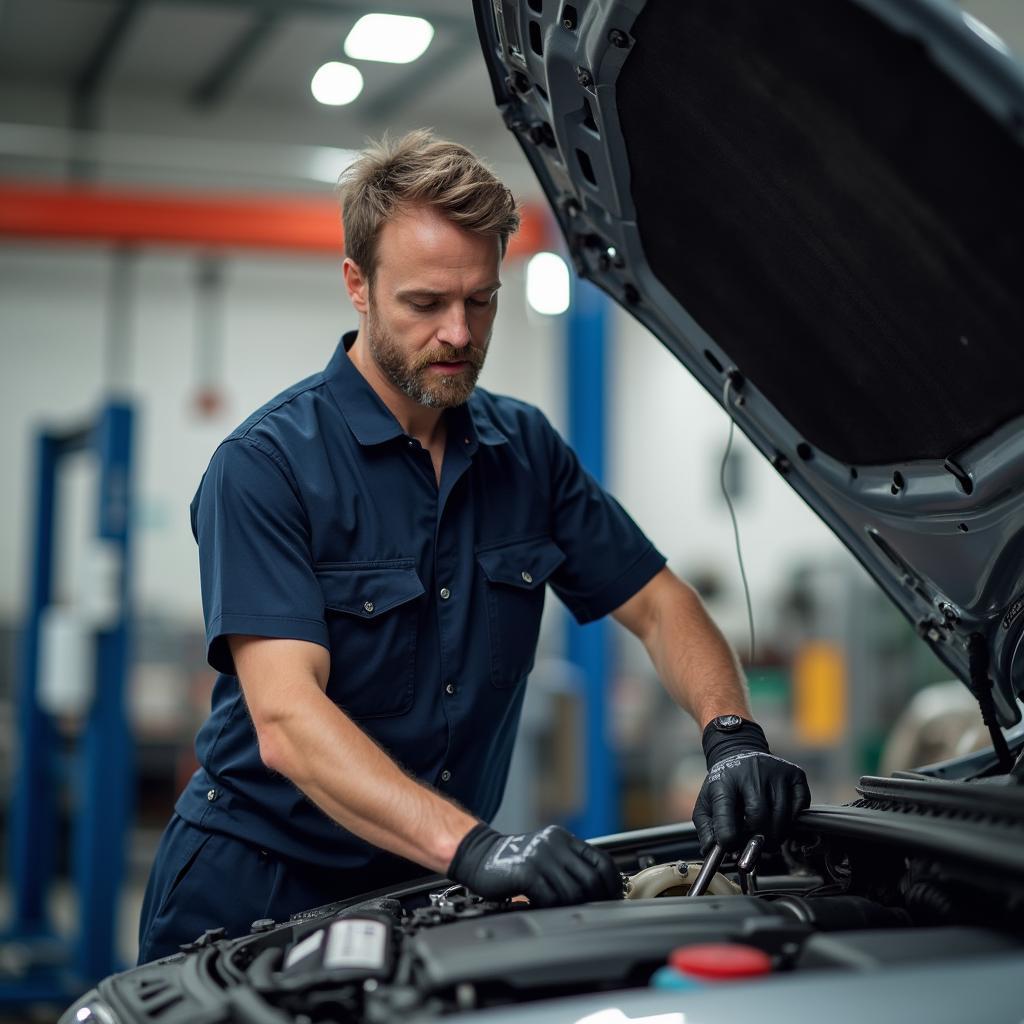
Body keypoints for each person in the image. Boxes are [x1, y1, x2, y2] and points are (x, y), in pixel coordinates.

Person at [137, 129, 810, 964]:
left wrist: (732, 734)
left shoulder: (524, 450)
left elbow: (660, 605)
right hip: (257, 893)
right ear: (358, 285)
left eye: (481, 300)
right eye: (425, 304)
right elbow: (286, 720)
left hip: (422, 891)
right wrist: (477, 847)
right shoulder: (266, 467)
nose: (459, 332)